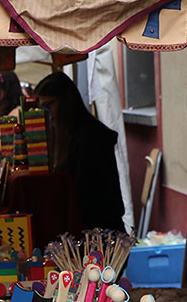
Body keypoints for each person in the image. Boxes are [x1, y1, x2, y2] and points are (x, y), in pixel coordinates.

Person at [34, 72, 125, 230]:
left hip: (100, 233)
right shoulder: (67, 135)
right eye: (43, 107)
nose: (47, 113)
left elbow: (86, 193)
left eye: (49, 105)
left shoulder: (91, 137)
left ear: (67, 99)